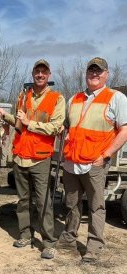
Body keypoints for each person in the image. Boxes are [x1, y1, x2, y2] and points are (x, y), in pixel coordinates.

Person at [56, 57, 127, 263]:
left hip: (94, 163)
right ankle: (69, 237)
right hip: (71, 163)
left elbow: (124, 130)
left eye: (99, 71)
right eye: (91, 71)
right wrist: (63, 131)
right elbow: (69, 126)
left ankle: (94, 246)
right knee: (71, 203)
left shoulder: (116, 98)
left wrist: (106, 155)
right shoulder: (74, 98)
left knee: (96, 207)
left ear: (106, 74)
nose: (94, 74)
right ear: (86, 73)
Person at [0, 59, 65, 259]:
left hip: (40, 158)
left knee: (43, 201)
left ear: (49, 75)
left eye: (44, 72)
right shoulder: (23, 96)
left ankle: (49, 242)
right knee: (23, 200)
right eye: (37, 71)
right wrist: (3, 115)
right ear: (33, 73)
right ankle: (25, 234)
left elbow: (55, 127)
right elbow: (19, 124)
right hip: (20, 157)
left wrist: (30, 123)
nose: (40, 75)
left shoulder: (57, 99)